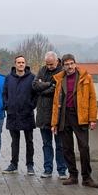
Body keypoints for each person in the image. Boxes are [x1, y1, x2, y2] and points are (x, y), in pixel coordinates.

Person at [51, 54, 98, 188]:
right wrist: (54, 123)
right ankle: (73, 175)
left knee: (84, 147)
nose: (70, 66)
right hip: (64, 117)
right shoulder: (60, 79)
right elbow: (56, 102)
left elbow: (92, 99)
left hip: (80, 116)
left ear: (75, 64)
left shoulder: (86, 78)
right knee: (67, 148)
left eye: (72, 63)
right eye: (67, 64)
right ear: (63, 66)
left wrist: (92, 119)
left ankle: (87, 177)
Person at [33, 51, 67, 179]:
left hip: (57, 114)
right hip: (43, 114)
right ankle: (47, 169)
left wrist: (43, 88)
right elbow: (35, 86)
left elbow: (57, 89)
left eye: (51, 64)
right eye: (47, 64)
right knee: (46, 144)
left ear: (57, 61)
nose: (49, 67)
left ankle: (62, 170)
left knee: (60, 145)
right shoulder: (42, 70)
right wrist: (49, 84)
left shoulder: (62, 72)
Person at [2, 55, 36, 175]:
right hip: (13, 114)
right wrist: (7, 105)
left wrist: (31, 105)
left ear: (25, 64)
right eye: (18, 62)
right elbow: (4, 93)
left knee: (29, 141)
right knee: (14, 141)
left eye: (23, 62)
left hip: (27, 113)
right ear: (15, 64)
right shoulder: (8, 78)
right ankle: (14, 164)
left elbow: (35, 94)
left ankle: (30, 165)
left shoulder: (32, 77)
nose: (21, 64)